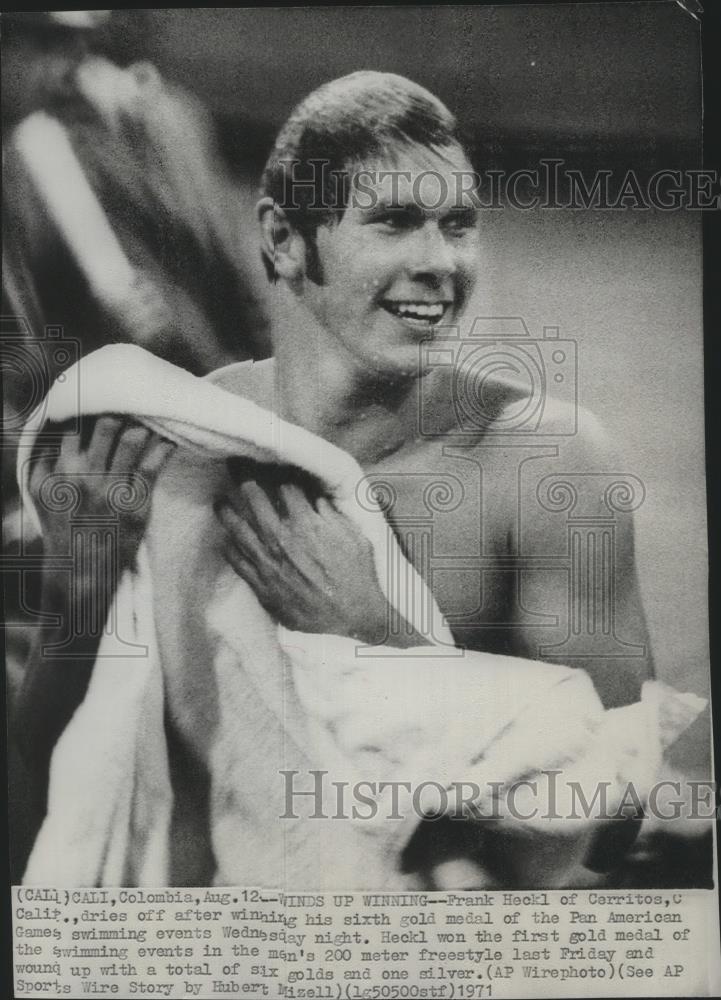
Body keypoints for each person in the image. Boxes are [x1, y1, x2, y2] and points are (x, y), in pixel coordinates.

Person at [18, 72, 654, 886]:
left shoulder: (546, 464)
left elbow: (615, 813)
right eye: (393, 222)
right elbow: (58, 777)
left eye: (457, 225)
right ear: (284, 239)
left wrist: (377, 636)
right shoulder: (172, 442)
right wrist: (77, 586)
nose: (438, 263)